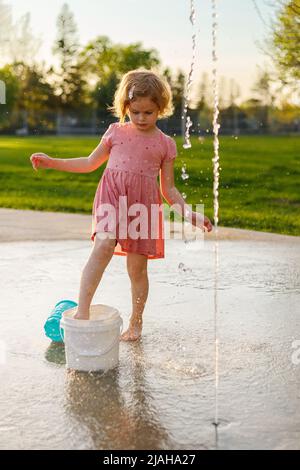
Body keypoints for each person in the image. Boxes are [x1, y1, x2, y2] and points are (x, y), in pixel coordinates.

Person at [30, 69, 213, 341]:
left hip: (144, 207)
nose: (140, 118)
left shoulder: (165, 145)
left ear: (160, 109)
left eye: (148, 113)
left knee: (137, 268)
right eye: (135, 111)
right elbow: (90, 163)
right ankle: (82, 312)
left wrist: (189, 213)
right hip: (112, 198)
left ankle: (136, 322)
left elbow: (169, 189)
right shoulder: (115, 132)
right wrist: (53, 161)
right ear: (125, 106)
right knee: (103, 246)